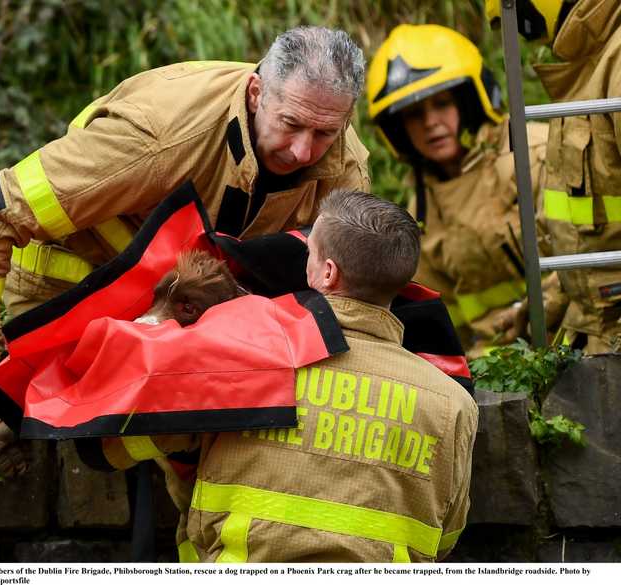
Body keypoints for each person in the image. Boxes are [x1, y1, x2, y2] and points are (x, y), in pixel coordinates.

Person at [0, 26, 370, 456]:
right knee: (106, 438)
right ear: (257, 93)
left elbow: (351, 296)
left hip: (198, 311)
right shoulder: (159, 134)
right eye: (291, 124)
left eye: (325, 134)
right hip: (73, 302)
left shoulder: (344, 162)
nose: (302, 152)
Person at [96, 190, 479, 562]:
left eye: (309, 252)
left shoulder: (239, 356)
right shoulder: (454, 405)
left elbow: (133, 437)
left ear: (327, 273)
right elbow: (446, 532)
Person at [367, 23, 565, 357]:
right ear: (397, 129)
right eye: (414, 114)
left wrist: (537, 312)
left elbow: (585, 259)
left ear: (471, 101)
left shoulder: (535, 154)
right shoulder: (419, 215)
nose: (430, 123)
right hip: (497, 370)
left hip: (570, 336)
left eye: (442, 104)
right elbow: (438, 323)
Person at [486, 0, 621, 354]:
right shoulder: (591, 67)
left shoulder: (616, 61)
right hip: (597, 335)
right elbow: (598, 238)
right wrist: (548, 298)